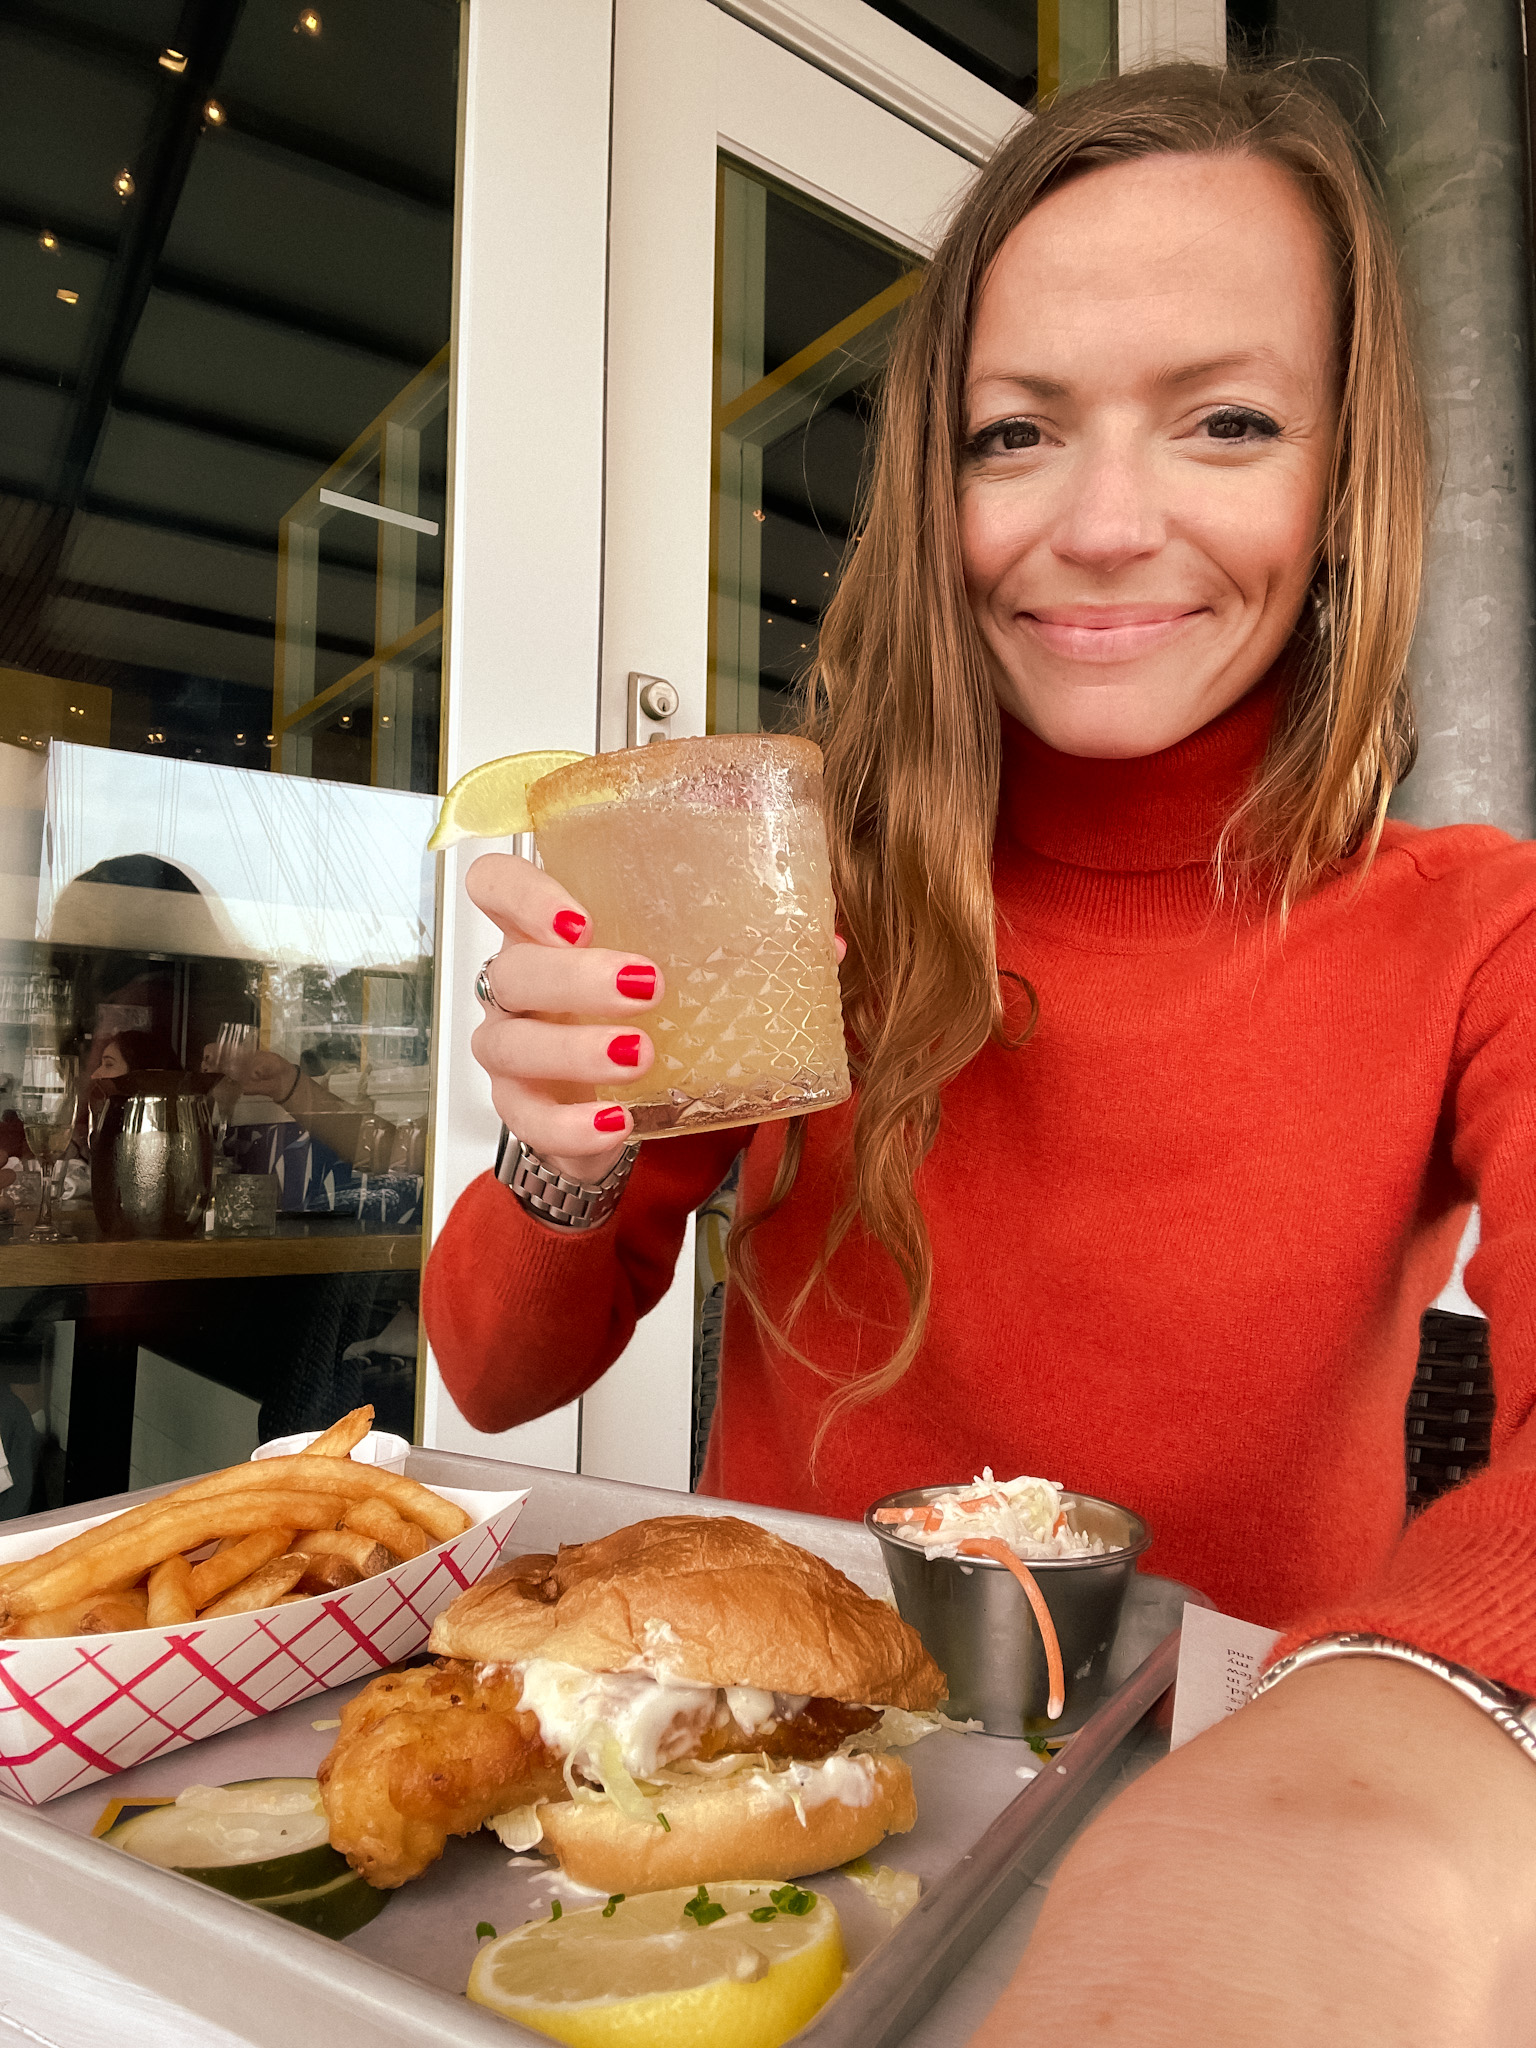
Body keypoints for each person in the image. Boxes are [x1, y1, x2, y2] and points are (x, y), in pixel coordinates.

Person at [424, 63, 1536, 2040]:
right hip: (771, 1800)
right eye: (1016, 432)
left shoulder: (1477, 924)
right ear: (932, 484)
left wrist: (1397, 1753)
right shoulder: (765, 873)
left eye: (1228, 421)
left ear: (1348, 465)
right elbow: (505, 1364)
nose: (1107, 527)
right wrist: (562, 1139)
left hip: (1238, 1844)